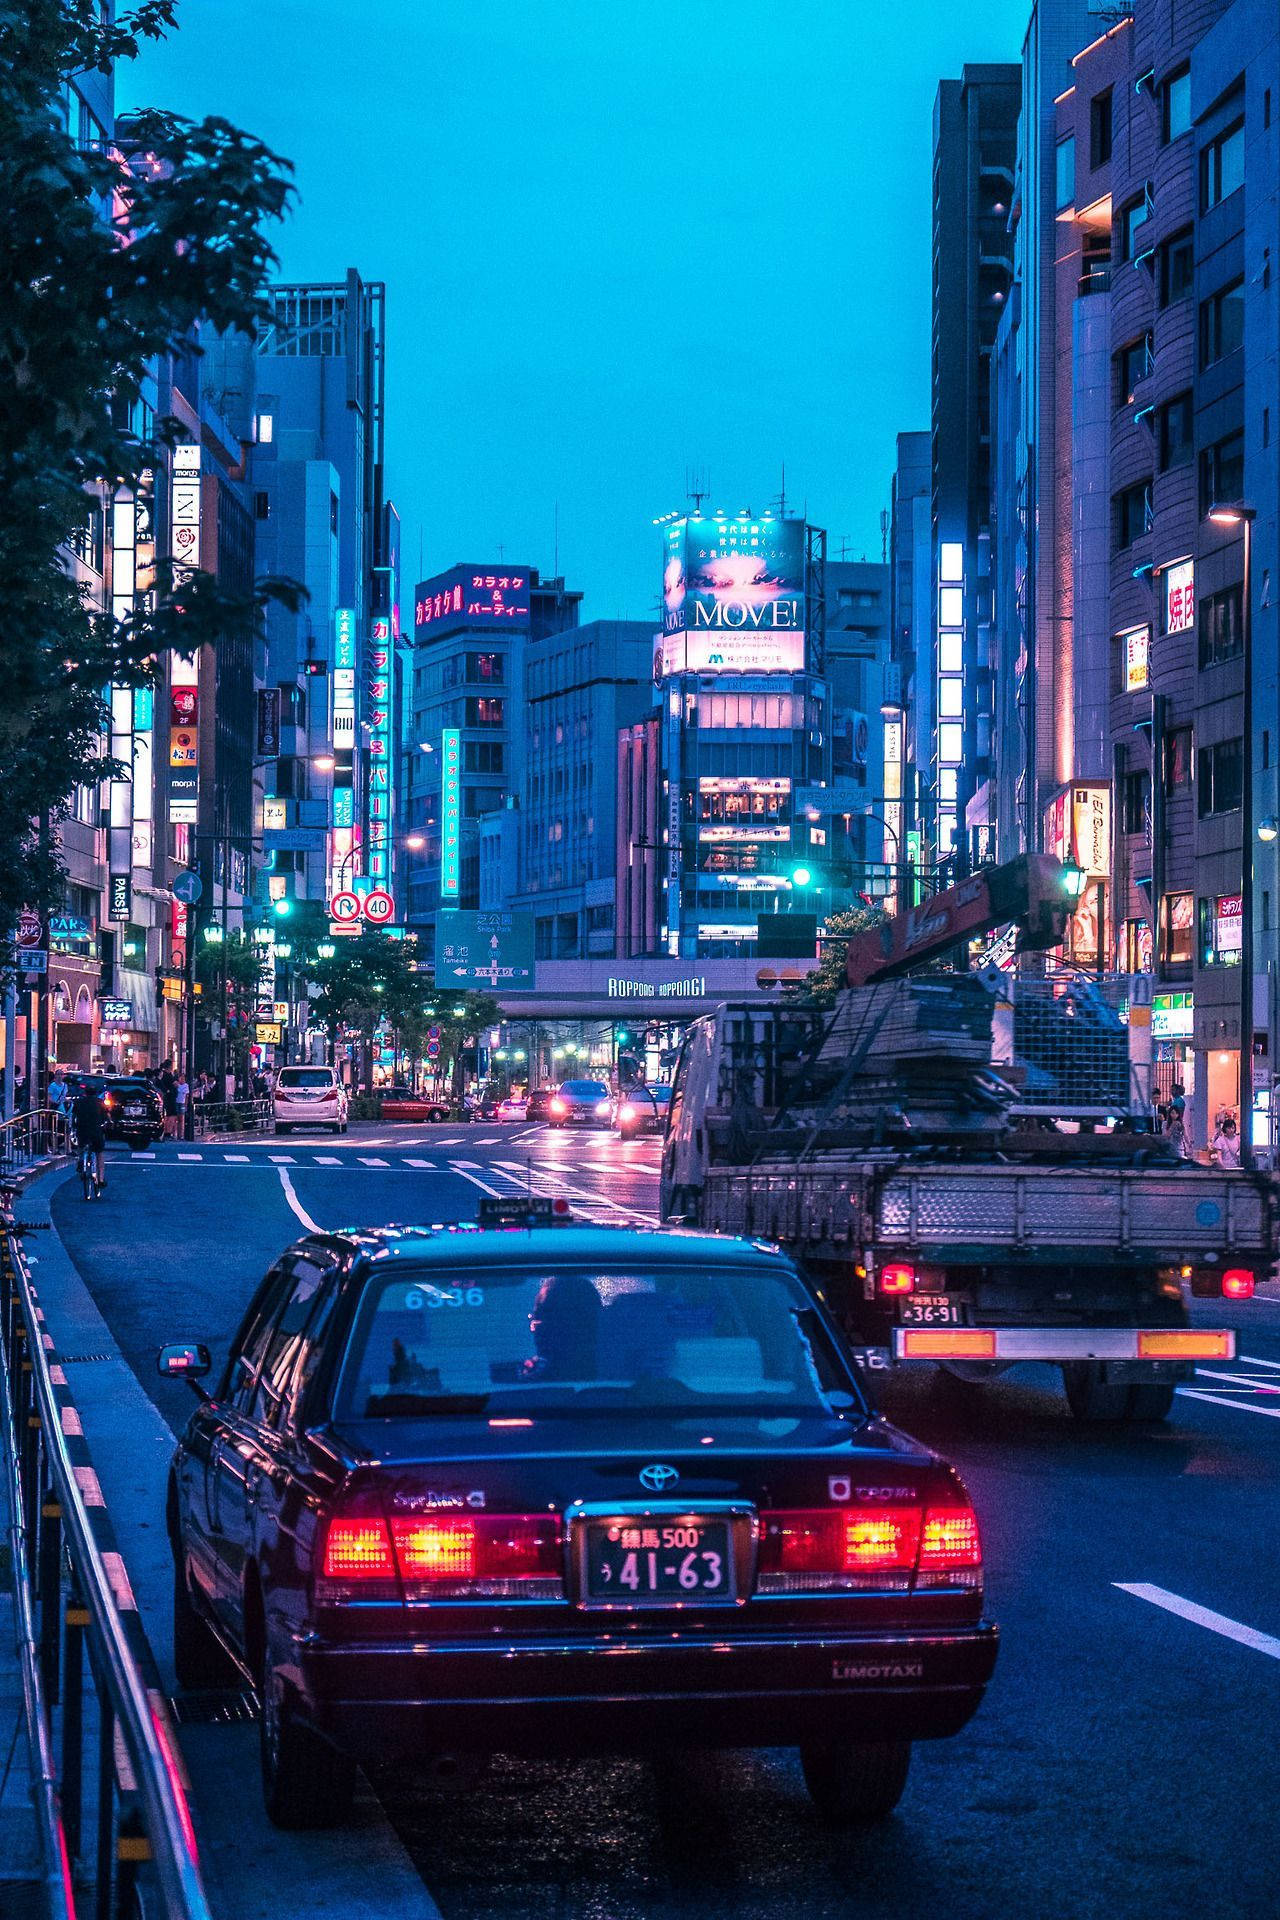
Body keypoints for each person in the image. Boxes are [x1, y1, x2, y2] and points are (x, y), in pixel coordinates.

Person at [70, 1080, 108, 1192]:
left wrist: (74, 1127)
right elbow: (105, 1118)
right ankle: (100, 1180)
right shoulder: (100, 1103)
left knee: (81, 1146)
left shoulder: (79, 1102)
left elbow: (74, 1116)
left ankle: (80, 1161)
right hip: (96, 1131)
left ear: (85, 1092)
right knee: (99, 1153)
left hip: (82, 1130)